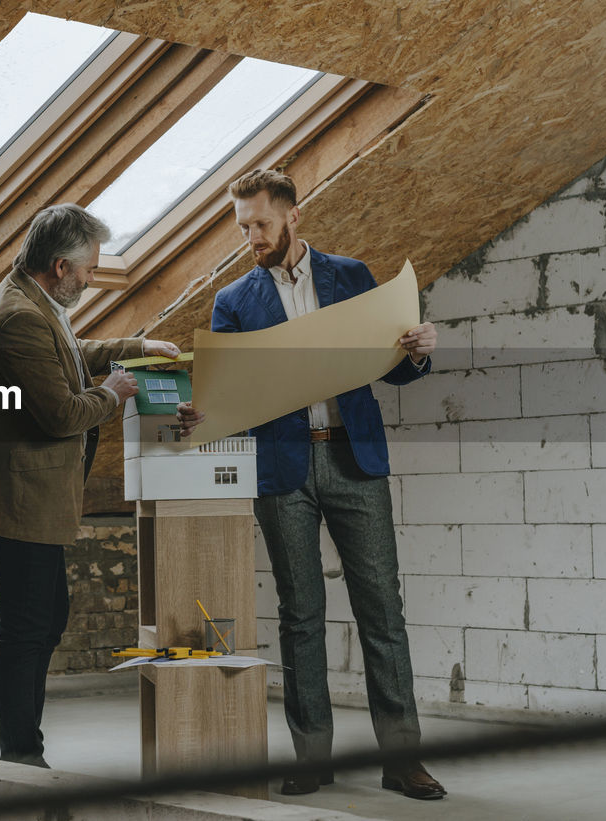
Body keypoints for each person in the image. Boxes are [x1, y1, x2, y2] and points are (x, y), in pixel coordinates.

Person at [175, 169, 445, 800]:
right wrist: (199, 411)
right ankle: (312, 758)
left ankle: (404, 762)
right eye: (242, 227)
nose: (252, 238)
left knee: (383, 611)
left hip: (355, 461)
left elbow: (397, 373)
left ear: (293, 217)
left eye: (261, 225)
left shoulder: (351, 277)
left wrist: (418, 350)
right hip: (281, 471)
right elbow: (226, 396)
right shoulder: (233, 301)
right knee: (300, 616)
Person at [0, 203, 180, 767]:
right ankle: (21, 753)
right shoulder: (18, 316)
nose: (92, 277)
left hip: (39, 494)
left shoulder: (36, 303)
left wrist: (136, 348)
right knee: (26, 628)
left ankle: (24, 742)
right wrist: (113, 393)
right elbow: (63, 413)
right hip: (22, 496)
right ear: (60, 266)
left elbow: (69, 354)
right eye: (88, 267)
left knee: (45, 619)